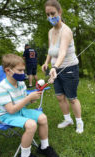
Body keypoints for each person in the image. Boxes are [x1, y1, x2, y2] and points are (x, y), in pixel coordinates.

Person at [0, 54, 59, 157]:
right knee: (31, 125)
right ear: (8, 70)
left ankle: (44, 147)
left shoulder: (21, 84)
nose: (23, 73)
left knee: (43, 118)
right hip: (6, 115)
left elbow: (23, 102)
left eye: (23, 70)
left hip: (20, 110)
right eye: (19, 70)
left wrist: (32, 100)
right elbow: (11, 110)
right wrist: (28, 98)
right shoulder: (2, 88)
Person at [41, 0, 84, 134]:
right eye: (47, 14)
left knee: (72, 98)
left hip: (69, 68)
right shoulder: (50, 32)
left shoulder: (66, 31)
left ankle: (79, 122)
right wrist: (46, 63)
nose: (50, 17)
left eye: (53, 13)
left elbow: (62, 52)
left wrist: (55, 67)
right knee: (60, 96)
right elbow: (51, 49)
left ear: (59, 12)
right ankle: (67, 119)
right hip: (56, 68)